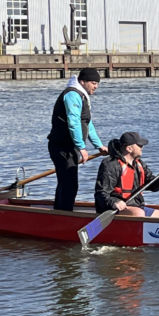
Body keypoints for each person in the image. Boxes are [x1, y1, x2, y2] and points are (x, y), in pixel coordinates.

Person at [48, 68, 108, 211]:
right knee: (68, 183)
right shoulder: (72, 95)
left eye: (97, 83)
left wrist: (98, 145)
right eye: (93, 83)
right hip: (61, 147)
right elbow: (73, 121)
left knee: (68, 183)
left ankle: (61, 211)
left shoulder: (82, 95)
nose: (96, 87)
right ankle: (63, 215)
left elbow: (87, 123)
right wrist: (81, 147)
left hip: (70, 147)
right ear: (82, 82)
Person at [94, 131, 159, 218]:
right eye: (139, 145)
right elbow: (101, 193)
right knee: (138, 213)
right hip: (113, 208)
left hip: (136, 207)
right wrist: (114, 202)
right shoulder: (110, 164)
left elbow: (153, 186)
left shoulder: (139, 164)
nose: (142, 147)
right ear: (129, 148)